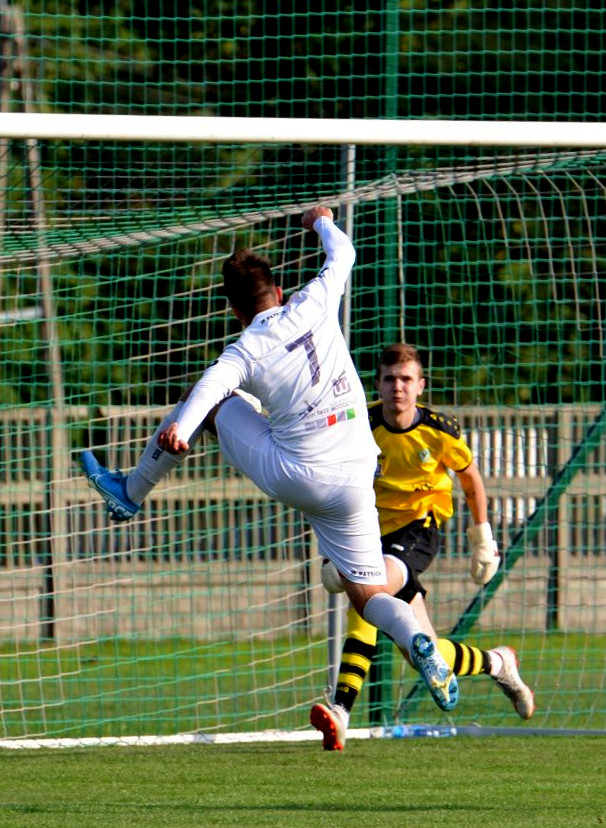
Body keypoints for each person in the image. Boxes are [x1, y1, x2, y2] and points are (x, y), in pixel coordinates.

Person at [78, 206, 459, 713]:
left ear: (235, 311)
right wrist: (320, 220)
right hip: (358, 473)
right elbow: (344, 251)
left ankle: (130, 491)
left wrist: (181, 431)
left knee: (211, 401)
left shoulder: (245, 348)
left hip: (301, 474)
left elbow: (208, 388)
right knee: (368, 596)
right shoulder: (315, 300)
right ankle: (417, 639)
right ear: (278, 291)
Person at [309, 343, 535, 751]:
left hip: (419, 527)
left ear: (420, 385)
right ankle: (498, 662)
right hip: (369, 531)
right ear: (378, 384)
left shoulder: (439, 429)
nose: (398, 387)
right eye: (390, 379)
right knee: (422, 653)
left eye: (406, 379)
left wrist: (482, 538)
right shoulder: (359, 423)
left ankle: (341, 712)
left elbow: (470, 479)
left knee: (367, 590)